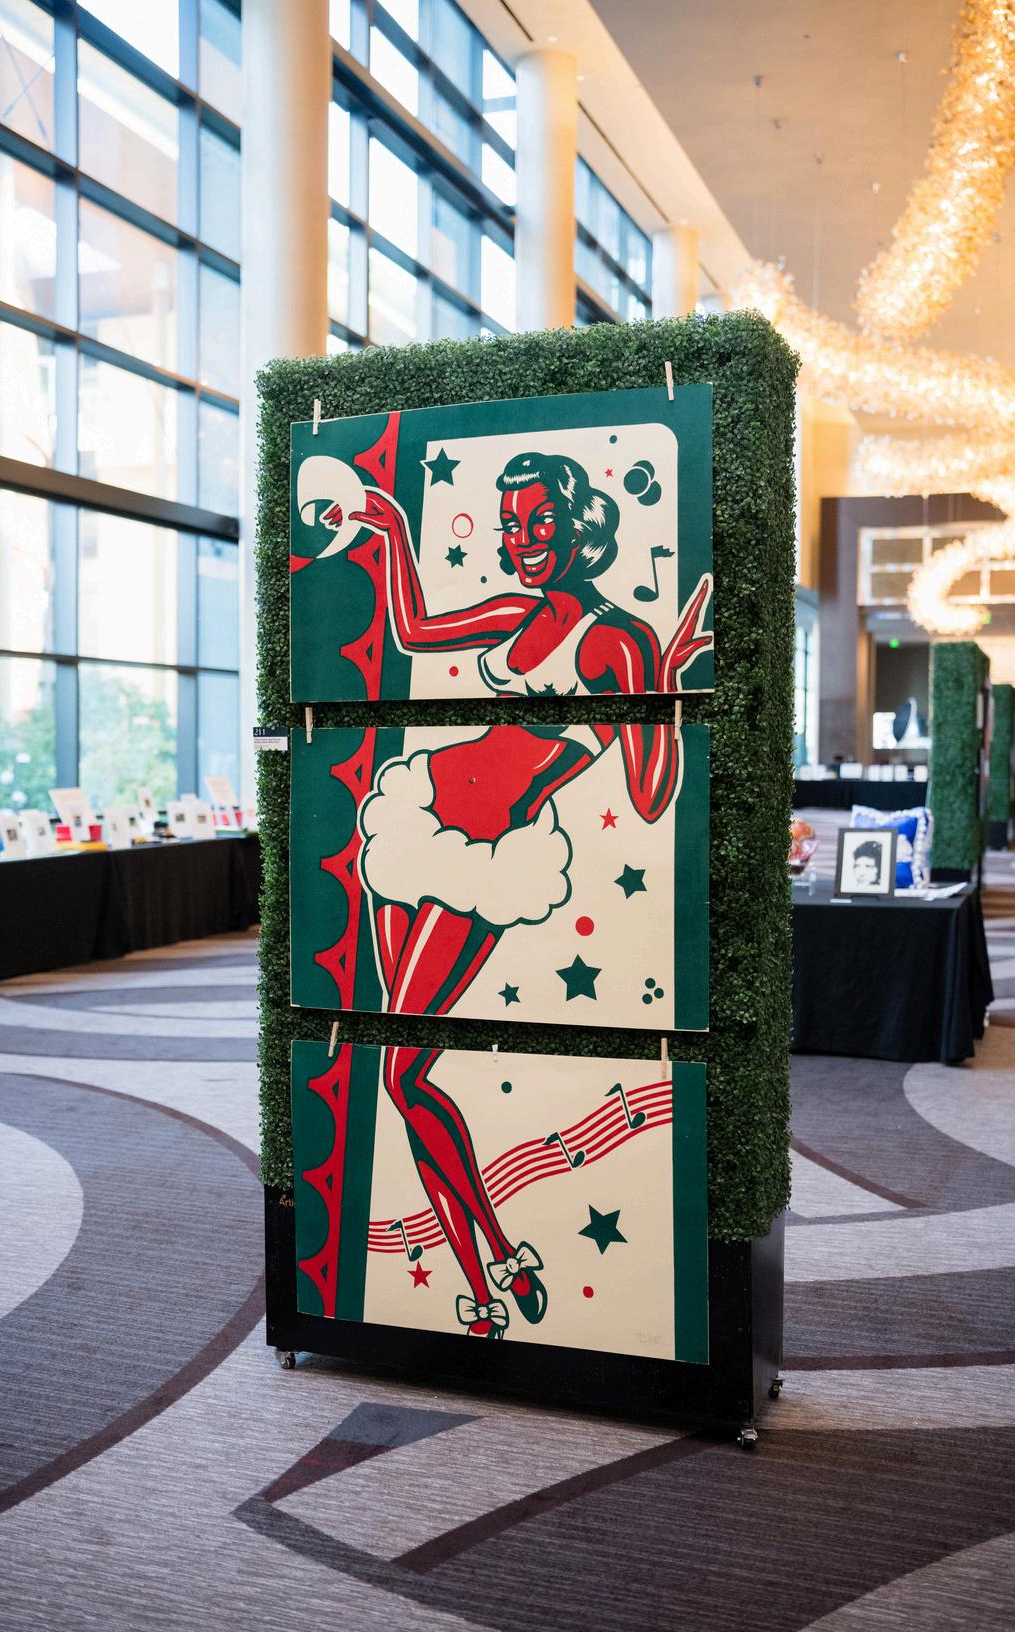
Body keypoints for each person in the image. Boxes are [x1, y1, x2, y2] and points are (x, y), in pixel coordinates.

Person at [346, 452, 713, 1339]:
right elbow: (413, 633)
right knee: (405, 1077)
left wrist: (667, 690)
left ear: (581, 525)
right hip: (412, 813)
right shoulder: (520, 610)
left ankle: (494, 1265)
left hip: (484, 859)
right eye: (511, 526)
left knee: (401, 1072)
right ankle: (491, 1271)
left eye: (540, 520)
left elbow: (651, 795)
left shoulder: (618, 641)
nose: (522, 541)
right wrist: (395, 531)